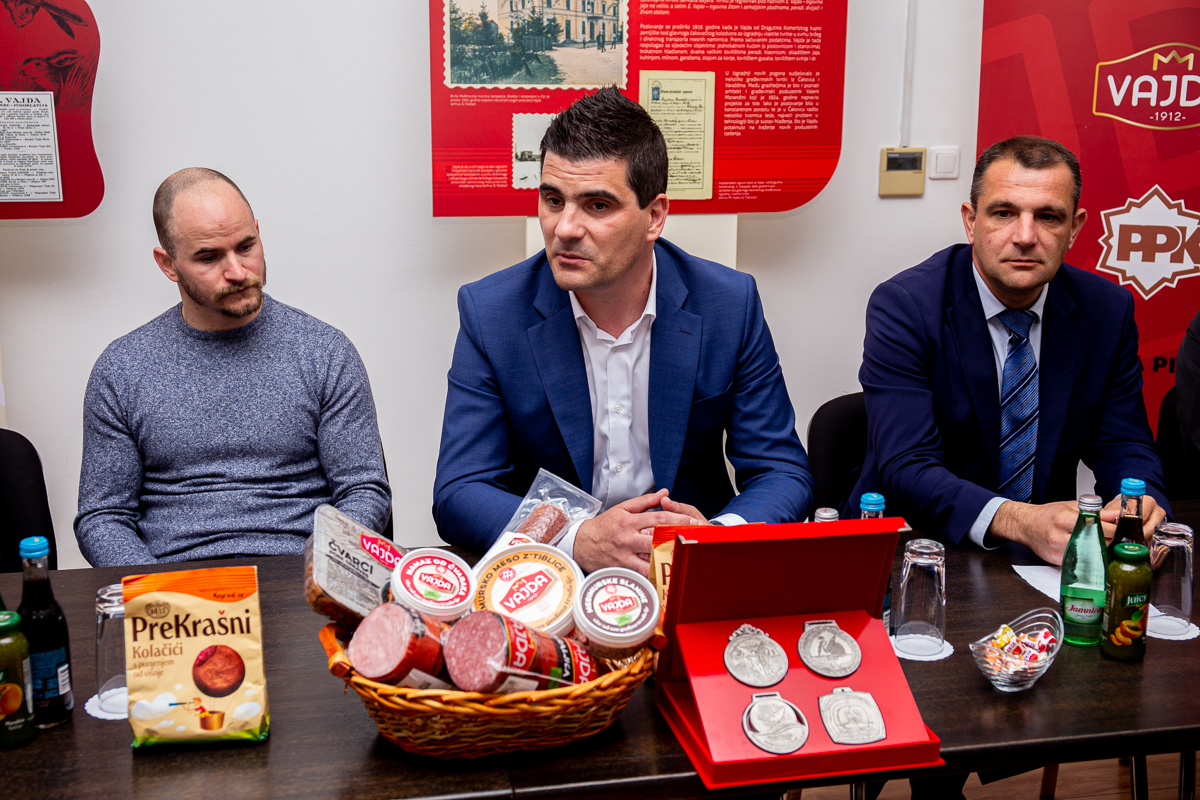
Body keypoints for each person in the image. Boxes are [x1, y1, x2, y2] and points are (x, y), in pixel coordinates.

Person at [433, 87, 812, 574]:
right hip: (554, 575)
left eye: (597, 205)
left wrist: (712, 539)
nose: (564, 228)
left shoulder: (727, 304)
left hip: (688, 569)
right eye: (553, 200)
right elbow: (461, 490)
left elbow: (781, 471)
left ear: (654, 216)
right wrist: (576, 538)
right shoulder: (492, 312)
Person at [851, 136, 1169, 568]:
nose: (1025, 237)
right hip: (920, 547)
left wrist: (1140, 505)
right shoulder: (906, 306)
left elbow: (1124, 444)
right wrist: (1021, 521)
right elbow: (907, 466)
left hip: (1045, 560)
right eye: (1004, 213)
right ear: (971, 222)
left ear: (1074, 228)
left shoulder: (1106, 311)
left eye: (1048, 217)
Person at [75, 168, 391, 567]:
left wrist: (320, 573)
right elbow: (103, 517)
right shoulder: (121, 369)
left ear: (258, 232)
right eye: (209, 257)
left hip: (299, 567)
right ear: (168, 264)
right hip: (175, 575)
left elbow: (363, 491)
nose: (238, 272)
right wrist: (159, 589)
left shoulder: (325, 352)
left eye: (246, 246)